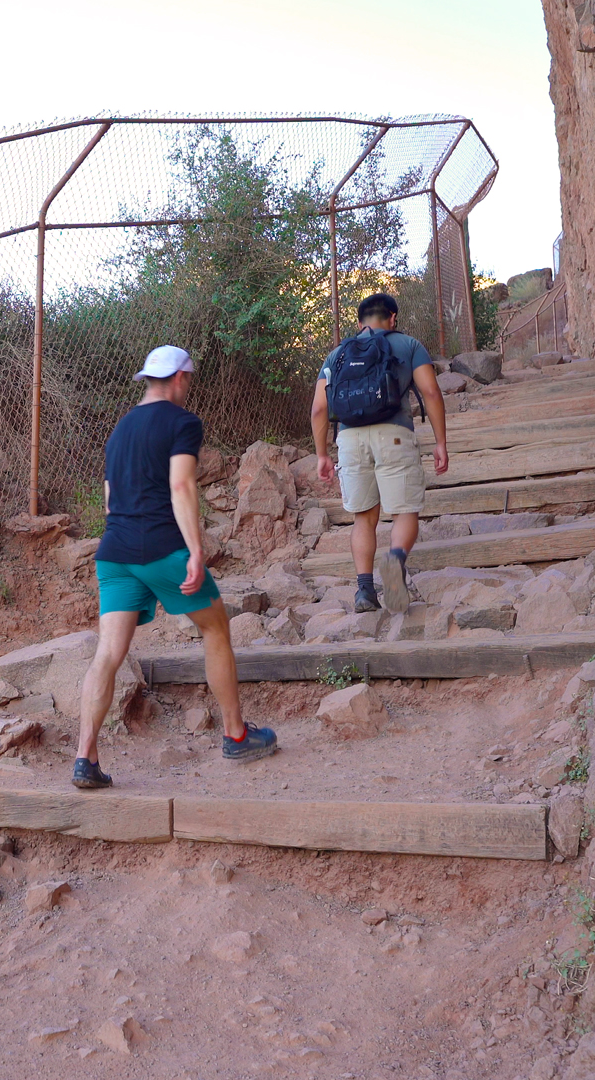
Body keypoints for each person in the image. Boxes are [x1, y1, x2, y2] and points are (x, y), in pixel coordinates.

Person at [72, 345, 279, 790]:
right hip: (162, 548)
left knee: (108, 653)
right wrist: (195, 549)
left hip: (115, 552)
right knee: (215, 629)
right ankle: (236, 734)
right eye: (191, 379)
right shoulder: (183, 422)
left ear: (148, 378)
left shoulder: (120, 428)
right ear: (181, 378)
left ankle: (84, 757)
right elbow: (181, 483)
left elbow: (110, 500)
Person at [310, 293, 449, 615]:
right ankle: (395, 561)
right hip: (395, 435)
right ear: (393, 318)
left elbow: (319, 408)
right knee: (403, 512)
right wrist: (441, 442)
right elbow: (430, 391)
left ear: (359, 323)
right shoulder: (409, 345)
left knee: (364, 518)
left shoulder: (337, 355)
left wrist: (321, 454)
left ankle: (363, 590)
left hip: (350, 440)